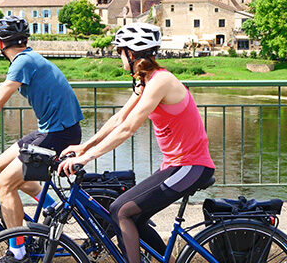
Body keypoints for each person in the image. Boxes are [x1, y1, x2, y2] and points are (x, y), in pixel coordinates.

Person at [59, 23, 215, 263]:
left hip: (191, 166)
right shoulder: (146, 82)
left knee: (121, 211)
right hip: (177, 166)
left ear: (131, 54)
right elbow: (119, 119)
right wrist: (84, 147)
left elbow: (128, 128)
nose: (118, 57)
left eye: (119, 52)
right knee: (135, 216)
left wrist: (85, 159)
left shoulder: (161, 81)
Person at [0, 15, 84, 263]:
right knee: (2, 164)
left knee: (3, 185)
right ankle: (51, 206)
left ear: (0, 44)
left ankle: (18, 253)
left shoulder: (22, 62)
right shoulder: (26, 59)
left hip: (59, 134)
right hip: (52, 130)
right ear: (25, 40)